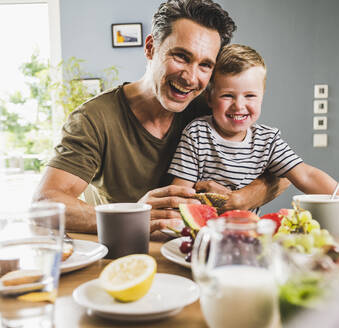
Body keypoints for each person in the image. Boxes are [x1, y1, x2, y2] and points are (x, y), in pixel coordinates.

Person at [33, 0, 289, 233]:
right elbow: (44, 203)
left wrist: (241, 199)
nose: (190, 77)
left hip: (200, 256)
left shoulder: (212, 109)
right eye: (181, 56)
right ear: (150, 48)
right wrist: (132, 215)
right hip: (128, 257)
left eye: (205, 65)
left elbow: (284, 171)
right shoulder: (93, 118)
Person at [168, 44, 339, 222]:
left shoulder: (268, 140)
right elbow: (181, 195)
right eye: (228, 95)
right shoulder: (197, 133)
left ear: (262, 96)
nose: (239, 106)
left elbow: (308, 177)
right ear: (209, 97)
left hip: (249, 233)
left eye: (250, 96)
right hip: (201, 234)